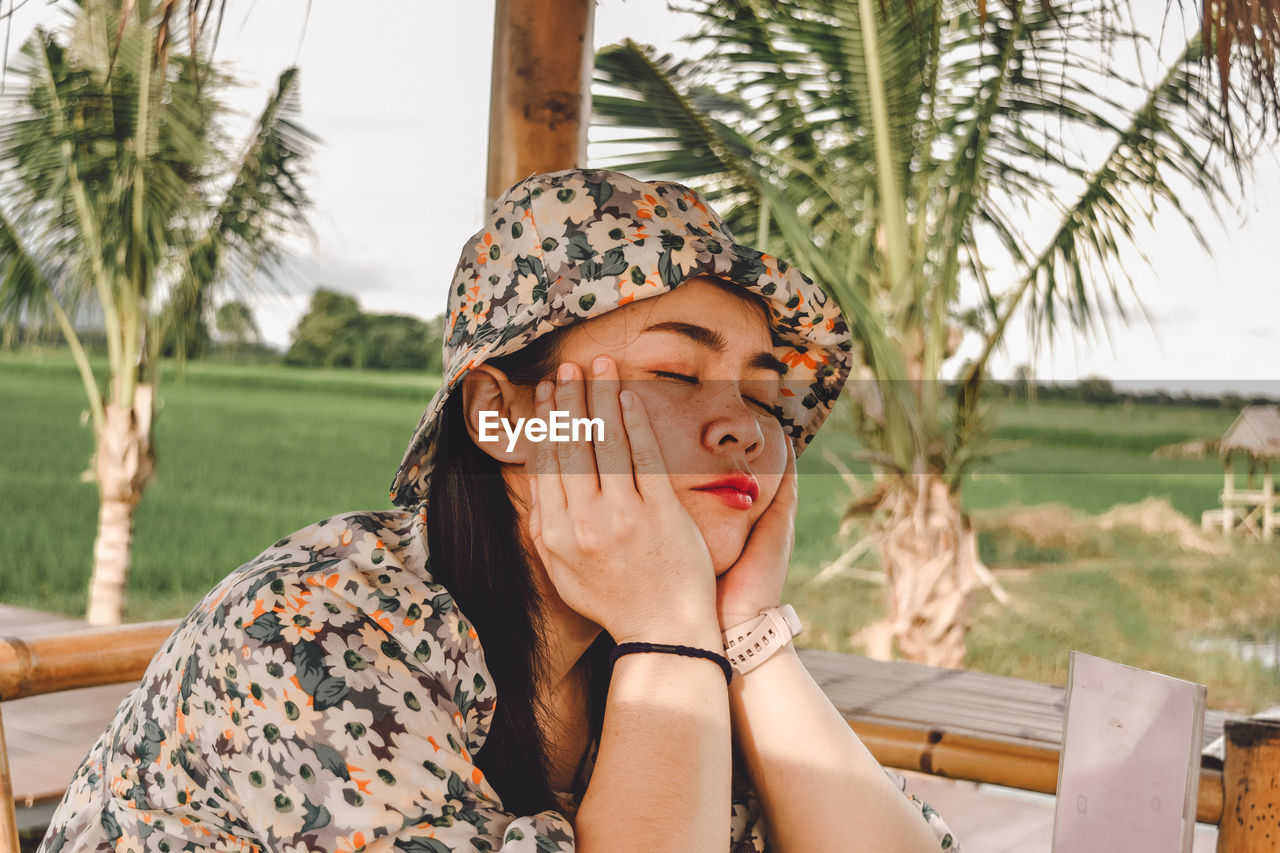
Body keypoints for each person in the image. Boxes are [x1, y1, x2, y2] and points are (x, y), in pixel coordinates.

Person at [38, 169, 960, 853]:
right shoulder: (313, 632)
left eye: (763, 395)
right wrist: (670, 634)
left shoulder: (635, 653)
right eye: (675, 373)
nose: (747, 430)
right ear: (503, 413)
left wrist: (747, 632)